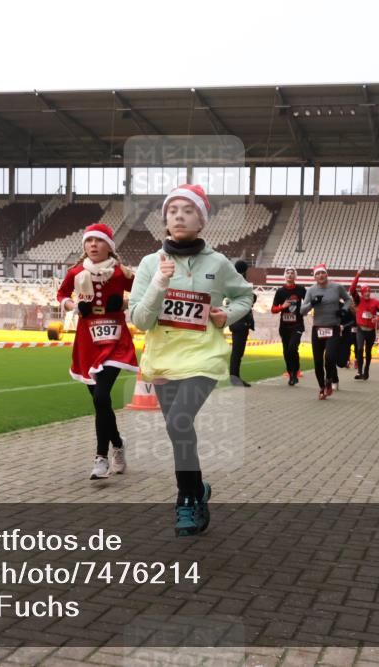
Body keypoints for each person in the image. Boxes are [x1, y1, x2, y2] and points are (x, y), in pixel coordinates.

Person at [129, 184, 254, 537]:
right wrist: (159, 283)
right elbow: (139, 320)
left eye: (188, 211)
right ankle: (197, 489)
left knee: (179, 421)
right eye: (172, 211)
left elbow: (245, 296)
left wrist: (226, 315)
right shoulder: (150, 263)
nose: (179, 216)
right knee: (179, 433)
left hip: (204, 356)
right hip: (163, 359)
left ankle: (185, 500)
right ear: (165, 220)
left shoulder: (218, 263)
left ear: (201, 221)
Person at [57, 223, 139, 480]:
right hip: (87, 341)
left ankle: (101, 458)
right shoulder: (76, 272)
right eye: (89, 240)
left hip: (115, 340)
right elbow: (62, 294)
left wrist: (125, 302)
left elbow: (144, 292)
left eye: (99, 240)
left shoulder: (121, 273)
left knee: (102, 397)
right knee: (100, 401)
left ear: (109, 246)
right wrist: (73, 306)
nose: (93, 245)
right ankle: (118, 443)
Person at [299, 264, 352, 400]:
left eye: (322, 273)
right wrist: (312, 304)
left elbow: (348, 299)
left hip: (333, 327)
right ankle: (322, 387)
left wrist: (344, 310)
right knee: (317, 362)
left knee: (330, 357)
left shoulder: (337, 287)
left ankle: (329, 379)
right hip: (318, 329)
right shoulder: (311, 290)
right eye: (317, 274)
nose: (320, 275)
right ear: (314, 277)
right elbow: (302, 311)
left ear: (326, 274)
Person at [270, 267, 307, 385]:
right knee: (286, 351)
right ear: (285, 276)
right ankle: (291, 374)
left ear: (295, 276)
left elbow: (308, 303)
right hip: (284, 327)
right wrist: (282, 306)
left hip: (297, 325)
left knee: (292, 348)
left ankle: (295, 371)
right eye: (288, 273)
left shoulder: (301, 289)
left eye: (292, 273)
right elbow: (273, 309)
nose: (290, 275)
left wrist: (305, 310)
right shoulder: (280, 291)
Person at [348, 272, 379, 381]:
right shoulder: (358, 300)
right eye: (365, 292)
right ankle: (359, 372)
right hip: (361, 329)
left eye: (369, 291)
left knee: (368, 351)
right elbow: (352, 289)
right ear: (362, 293)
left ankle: (366, 370)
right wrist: (358, 275)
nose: (367, 293)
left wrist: (378, 318)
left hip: (370, 331)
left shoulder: (375, 302)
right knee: (359, 349)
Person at [228, 260, 256, 387]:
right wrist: (252, 298)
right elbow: (249, 298)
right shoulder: (239, 283)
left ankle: (235, 377)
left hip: (236, 320)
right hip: (240, 320)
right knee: (237, 352)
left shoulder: (232, 281)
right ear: (244, 271)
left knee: (237, 352)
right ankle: (234, 377)